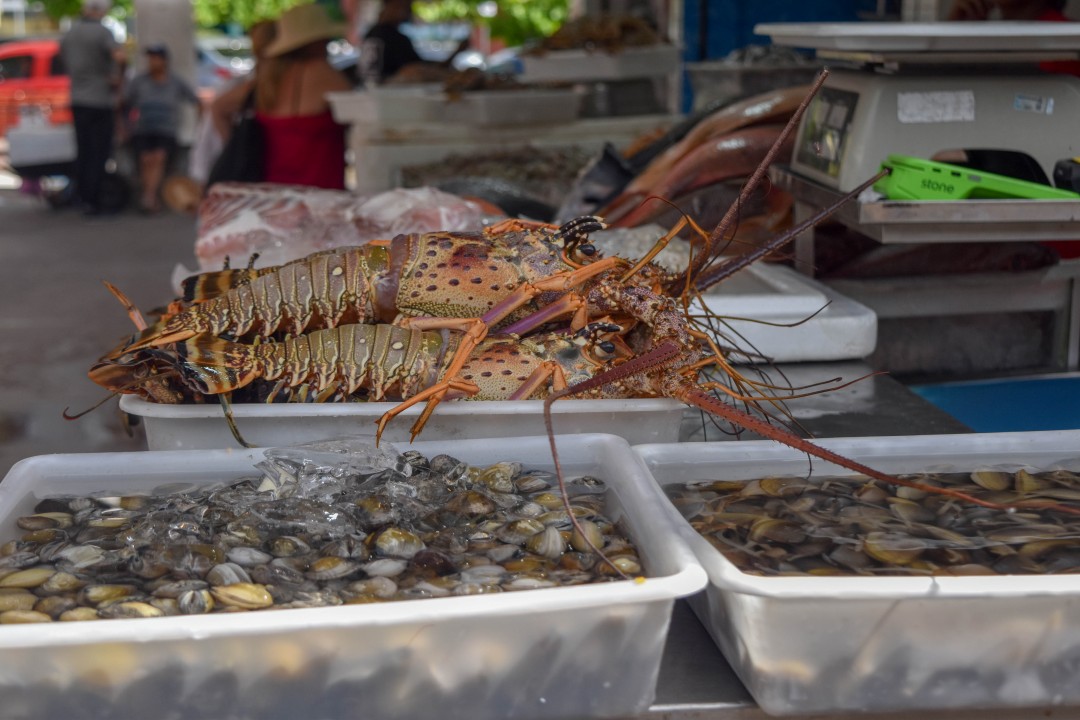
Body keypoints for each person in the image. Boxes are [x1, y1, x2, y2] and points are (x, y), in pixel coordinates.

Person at [254, 3, 353, 189]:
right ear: (315, 41)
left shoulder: (269, 78)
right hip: (319, 191)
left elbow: (219, 106)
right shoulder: (322, 73)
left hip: (275, 189)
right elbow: (358, 112)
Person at [59, 0, 124, 215]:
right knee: (99, 152)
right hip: (99, 99)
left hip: (78, 98)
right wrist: (117, 77)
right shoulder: (103, 32)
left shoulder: (70, 33)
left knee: (83, 150)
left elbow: (64, 59)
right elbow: (120, 57)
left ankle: (82, 196)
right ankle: (94, 201)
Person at [122, 45, 200, 213]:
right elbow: (125, 104)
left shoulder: (175, 82)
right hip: (143, 129)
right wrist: (125, 127)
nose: (152, 62)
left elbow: (195, 100)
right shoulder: (139, 81)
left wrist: (200, 126)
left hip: (166, 130)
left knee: (158, 157)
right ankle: (150, 197)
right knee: (146, 159)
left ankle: (148, 197)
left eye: (155, 58)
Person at [363, 0, 468, 84]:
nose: (406, 12)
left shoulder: (372, 33)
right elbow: (414, 68)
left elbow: (420, 64)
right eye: (403, 6)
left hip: (371, 89)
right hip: (389, 91)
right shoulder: (391, 37)